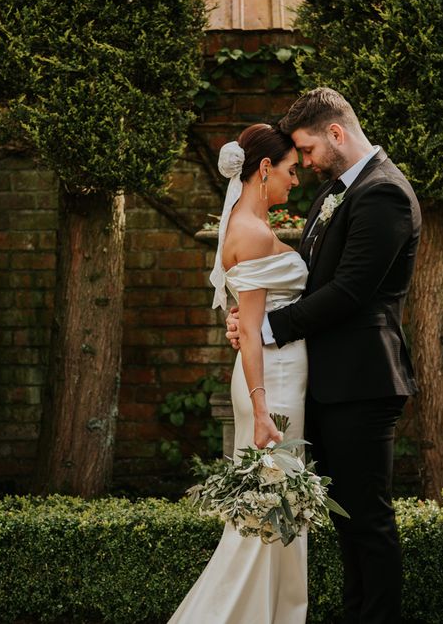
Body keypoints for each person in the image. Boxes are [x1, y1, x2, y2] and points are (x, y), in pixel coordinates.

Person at [227, 87, 421, 624]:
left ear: (336, 133)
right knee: (345, 520)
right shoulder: (336, 191)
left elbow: (351, 291)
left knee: (369, 521)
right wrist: (246, 313)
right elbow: (309, 280)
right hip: (330, 384)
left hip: (364, 381)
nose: (305, 163)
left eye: (308, 150)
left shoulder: (385, 194)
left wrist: (265, 327)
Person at [169, 123, 309, 624]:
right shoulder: (250, 233)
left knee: (278, 513)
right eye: (291, 171)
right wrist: (262, 410)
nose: (296, 180)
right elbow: (249, 330)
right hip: (269, 386)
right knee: (264, 517)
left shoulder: (247, 224)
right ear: (265, 168)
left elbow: (247, 319)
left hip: (274, 377)